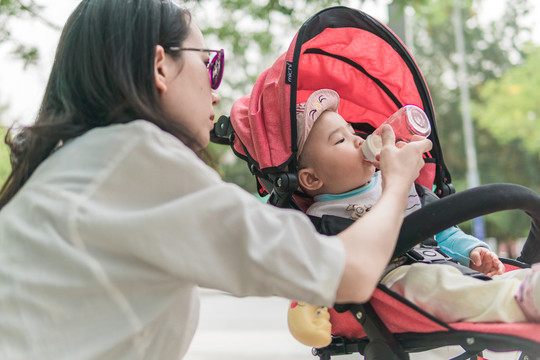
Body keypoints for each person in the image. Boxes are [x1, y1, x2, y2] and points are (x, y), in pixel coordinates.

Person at [0, 1, 433, 359]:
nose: (216, 91)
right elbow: (349, 273)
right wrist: (397, 183)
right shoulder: (136, 158)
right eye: (208, 65)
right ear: (160, 66)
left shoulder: (68, 168)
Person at [287, 89, 540, 348]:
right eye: (340, 140)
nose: (358, 141)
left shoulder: (406, 185)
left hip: (446, 268)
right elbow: (316, 273)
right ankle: (521, 299)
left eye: (353, 132)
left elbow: (443, 231)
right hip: (390, 288)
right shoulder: (320, 221)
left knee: (482, 282)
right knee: (428, 283)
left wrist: (473, 251)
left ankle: (524, 289)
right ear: (312, 179)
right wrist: (304, 307)